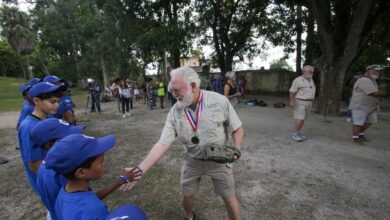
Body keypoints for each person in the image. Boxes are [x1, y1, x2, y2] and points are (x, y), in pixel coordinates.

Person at [121, 66, 244, 220]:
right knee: (187, 196)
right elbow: (162, 143)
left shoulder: (219, 101)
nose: (173, 94)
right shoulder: (175, 111)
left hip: (219, 161)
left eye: (177, 90)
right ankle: (189, 216)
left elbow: (238, 129)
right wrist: (140, 170)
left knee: (229, 198)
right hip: (192, 161)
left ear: (193, 86)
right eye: (172, 90)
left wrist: (237, 149)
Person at [45, 134, 142, 220]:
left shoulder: (66, 192)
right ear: (81, 172)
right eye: (101, 161)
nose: (105, 163)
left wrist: (120, 181)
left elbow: (91, 197)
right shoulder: (92, 212)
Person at [31, 118, 86, 220]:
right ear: (50, 145)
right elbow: (81, 203)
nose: (74, 138)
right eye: (68, 137)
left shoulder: (44, 167)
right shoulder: (60, 172)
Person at [17, 82, 63, 193]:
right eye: (52, 102)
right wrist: (53, 182)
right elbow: (34, 164)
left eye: (58, 101)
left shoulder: (49, 118)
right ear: (37, 101)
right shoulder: (29, 127)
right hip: (49, 182)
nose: (57, 105)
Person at [348, 64, 385, 144]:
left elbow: (375, 93)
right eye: (376, 71)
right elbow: (374, 93)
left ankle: (360, 134)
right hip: (360, 106)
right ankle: (355, 138)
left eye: (378, 71)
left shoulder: (372, 81)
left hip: (370, 107)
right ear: (369, 71)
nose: (378, 72)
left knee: (371, 121)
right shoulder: (364, 80)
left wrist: (379, 97)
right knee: (358, 123)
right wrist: (382, 94)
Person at [289, 65, 316, 142]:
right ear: (304, 72)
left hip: (309, 102)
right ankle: (295, 134)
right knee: (300, 118)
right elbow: (291, 92)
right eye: (310, 71)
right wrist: (291, 101)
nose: (312, 73)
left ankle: (299, 132)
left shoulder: (311, 80)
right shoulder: (298, 80)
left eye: (312, 72)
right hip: (300, 101)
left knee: (303, 118)